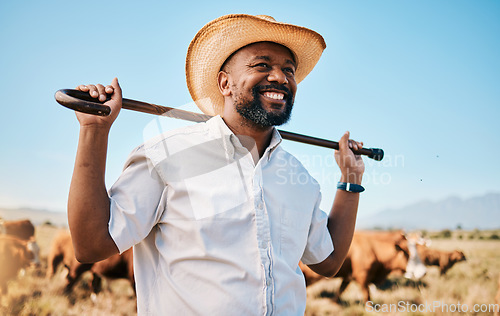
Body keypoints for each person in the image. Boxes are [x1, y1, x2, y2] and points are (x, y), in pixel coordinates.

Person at [68, 14, 365, 315]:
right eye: (262, 65)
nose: (280, 77)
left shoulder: (299, 177)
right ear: (225, 82)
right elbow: (92, 245)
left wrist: (350, 180)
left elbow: (327, 261)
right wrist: (94, 130)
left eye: (288, 70)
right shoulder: (167, 156)